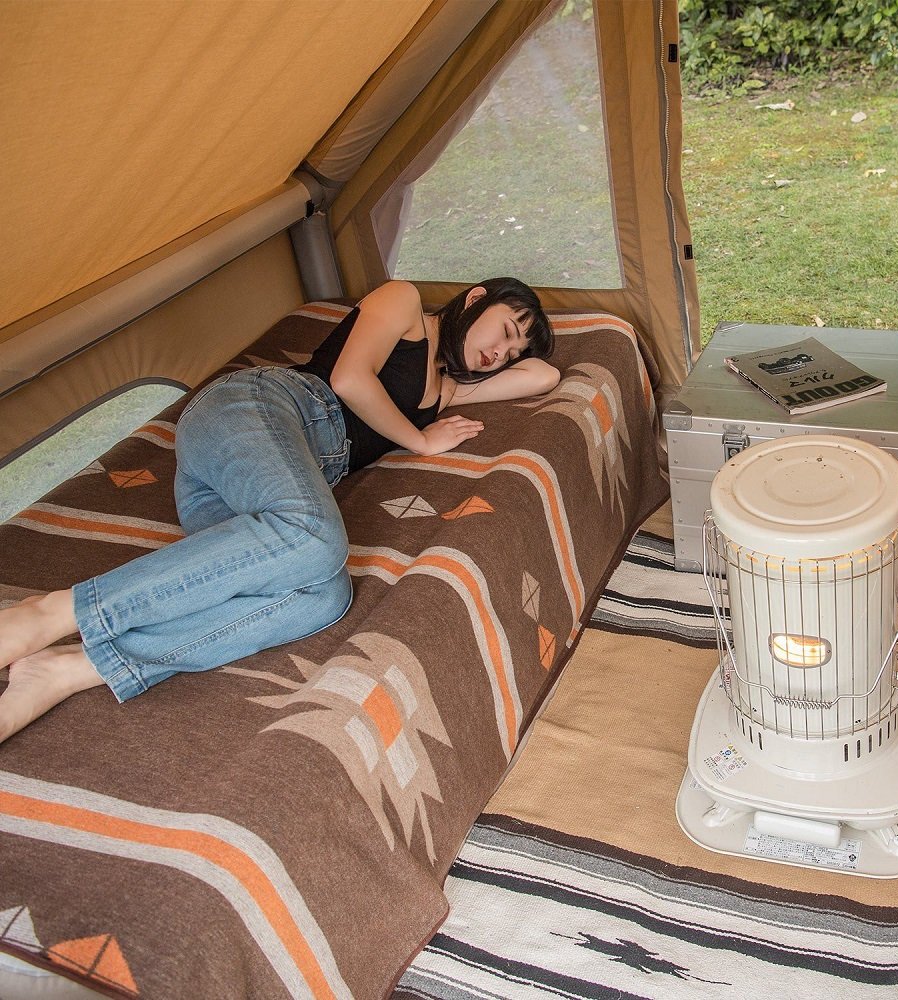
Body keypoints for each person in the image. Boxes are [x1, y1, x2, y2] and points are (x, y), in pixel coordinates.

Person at [0, 277, 558, 744]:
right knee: (316, 538)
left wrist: (508, 356)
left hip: (244, 487)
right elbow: (348, 379)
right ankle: (51, 615)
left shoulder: (448, 389)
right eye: (506, 331)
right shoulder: (405, 303)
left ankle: (72, 668)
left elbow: (544, 376)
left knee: (323, 596)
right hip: (254, 410)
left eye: (511, 353)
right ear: (475, 298)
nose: (501, 354)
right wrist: (420, 440)